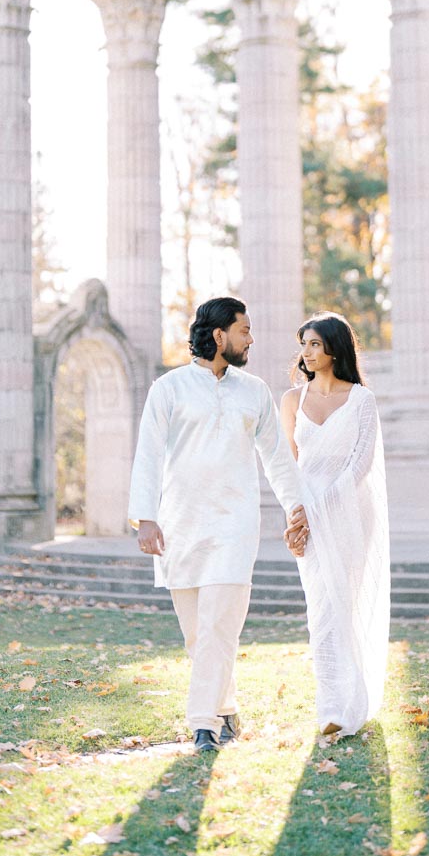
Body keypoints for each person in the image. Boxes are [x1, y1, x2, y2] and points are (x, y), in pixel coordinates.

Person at [128, 297, 308, 753]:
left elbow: (277, 459)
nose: (251, 339)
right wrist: (145, 517)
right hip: (180, 526)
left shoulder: (254, 391)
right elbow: (148, 453)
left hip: (234, 524)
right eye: (244, 330)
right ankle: (225, 704)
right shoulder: (168, 389)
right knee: (198, 634)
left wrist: (295, 508)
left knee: (218, 627)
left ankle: (203, 724)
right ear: (219, 336)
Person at [281, 311, 390, 737]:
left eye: (313, 344)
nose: (306, 353)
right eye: (303, 344)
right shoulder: (292, 399)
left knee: (346, 603)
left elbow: (359, 466)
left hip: (350, 513)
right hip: (305, 516)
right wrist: (295, 514)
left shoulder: (362, 400)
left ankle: (352, 703)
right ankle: (330, 707)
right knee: (320, 609)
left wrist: (318, 508)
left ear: (333, 348)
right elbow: (288, 465)